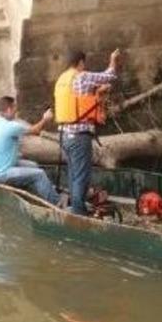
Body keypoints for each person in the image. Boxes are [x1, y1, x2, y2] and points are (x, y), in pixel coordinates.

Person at [54, 48, 121, 215]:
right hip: (79, 137)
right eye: (84, 63)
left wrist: (98, 91)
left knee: (74, 174)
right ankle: (78, 213)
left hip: (64, 136)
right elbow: (110, 75)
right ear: (81, 62)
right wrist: (113, 59)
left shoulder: (62, 79)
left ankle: (75, 208)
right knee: (81, 177)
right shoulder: (82, 76)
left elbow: (78, 97)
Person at [0, 96, 60, 205]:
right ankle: (56, 203)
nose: (16, 111)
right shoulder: (11, 126)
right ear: (9, 109)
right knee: (39, 174)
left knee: (34, 165)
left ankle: (47, 189)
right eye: (14, 108)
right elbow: (35, 130)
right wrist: (45, 119)